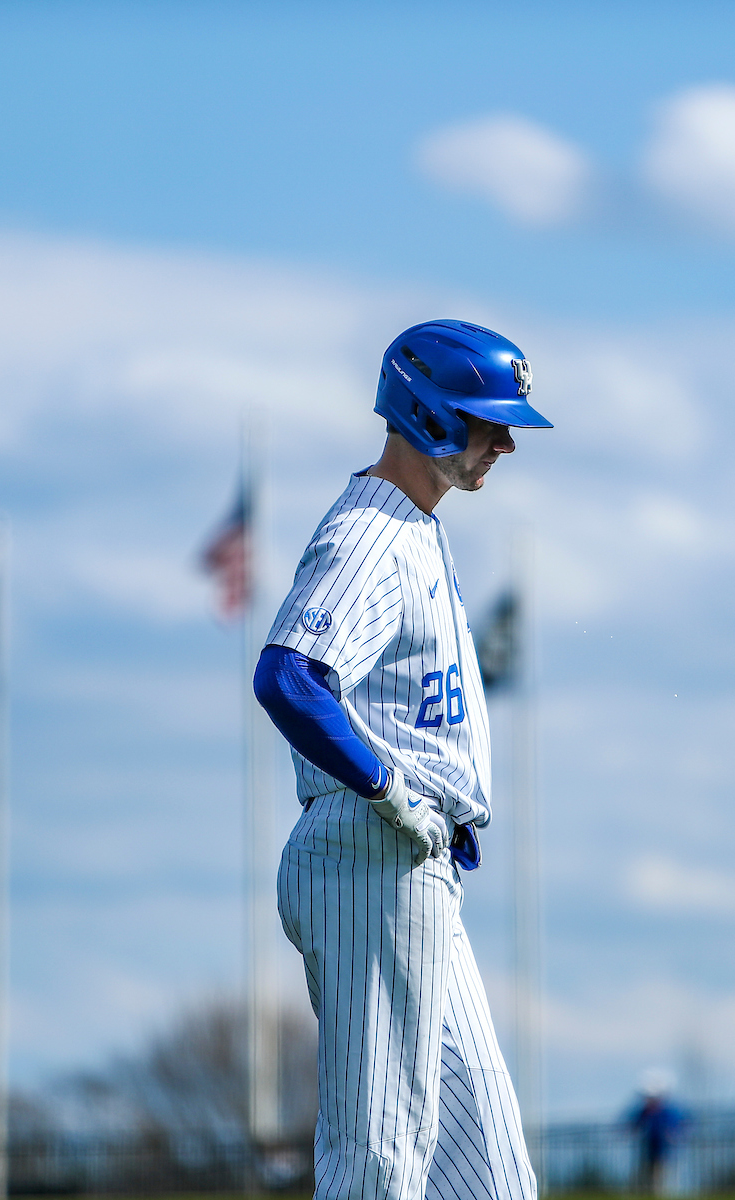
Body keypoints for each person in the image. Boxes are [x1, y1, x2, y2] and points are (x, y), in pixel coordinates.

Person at [253, 319, 553, 1200]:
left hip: (413, 864)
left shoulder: (419, 526)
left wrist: (435, 810)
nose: (503, 441)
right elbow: (289, 677)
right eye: (484, 420)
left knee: (492, 1177)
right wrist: (389, 792)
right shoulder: (372, 533)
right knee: (379, 1164)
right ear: (424, 412)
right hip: (368, 858)